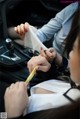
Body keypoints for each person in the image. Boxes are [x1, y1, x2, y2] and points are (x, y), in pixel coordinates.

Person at [4, 8, 80, 118]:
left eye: (74, 49)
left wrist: (11, 114)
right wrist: (49, 69)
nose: (70, 54)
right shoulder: (72, 83)